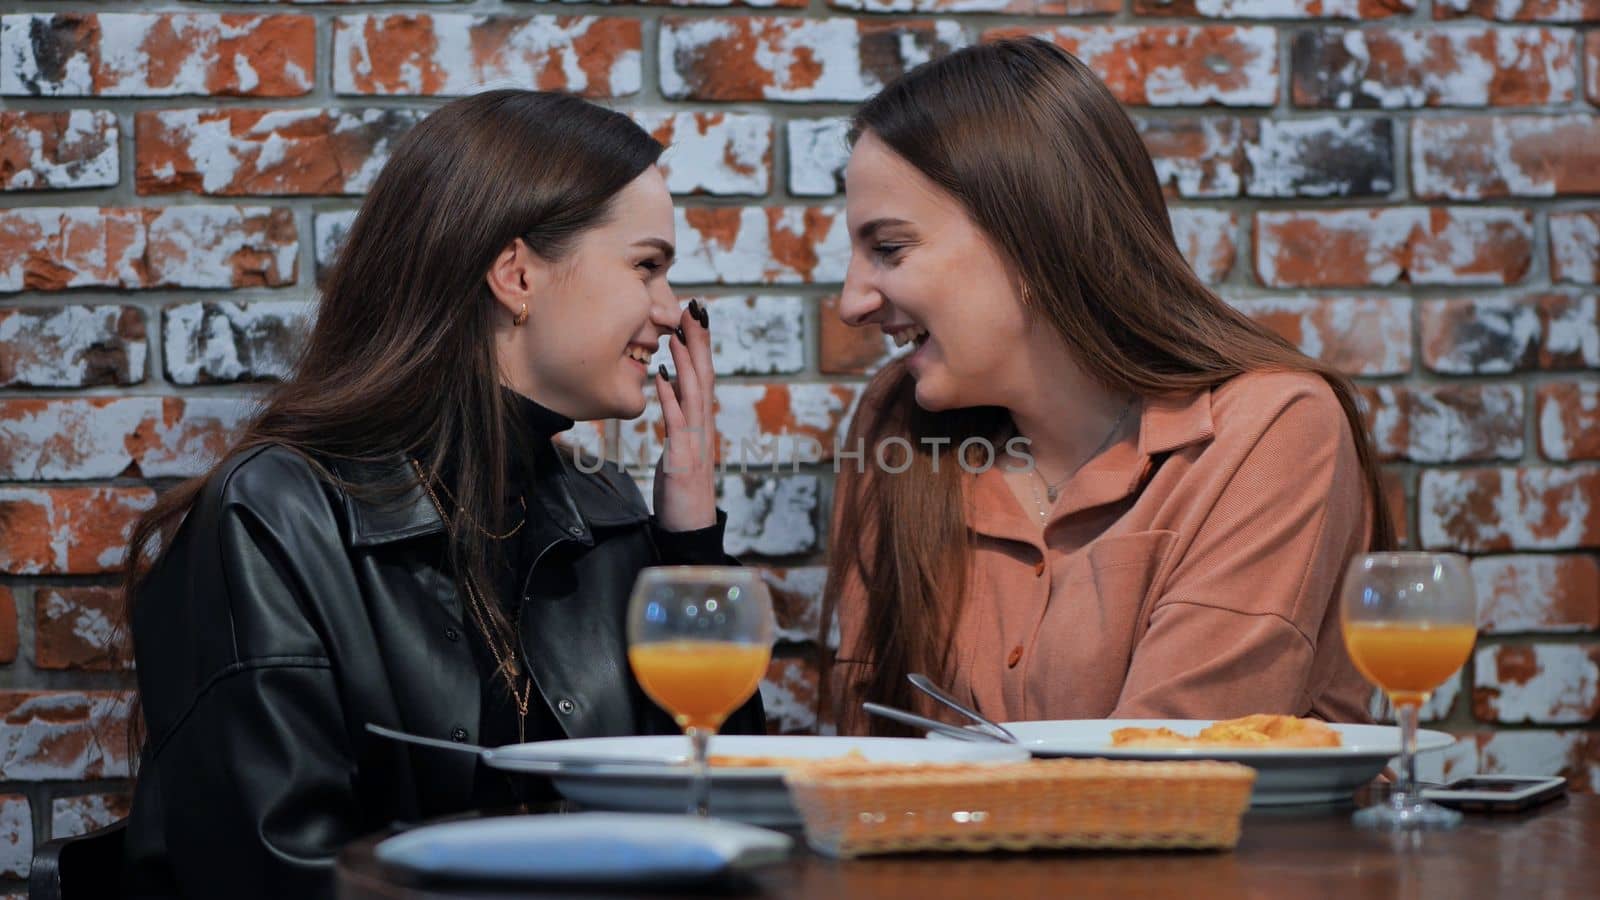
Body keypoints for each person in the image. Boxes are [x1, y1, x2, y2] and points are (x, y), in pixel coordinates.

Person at [118, 90, 763, 898]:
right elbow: (279, 872)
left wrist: (690, 538)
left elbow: (728, 826)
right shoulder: (275, 517)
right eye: (647, 266)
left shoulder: (612, 518)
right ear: (516, 273)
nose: (670, 312)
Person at [823, 39, 1393, 735]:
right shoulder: (896, 427)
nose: (852, 301)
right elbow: (866, 758)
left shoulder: (1270, 430)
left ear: (1026, 238)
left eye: (889, 249)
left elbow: (1174, 766)